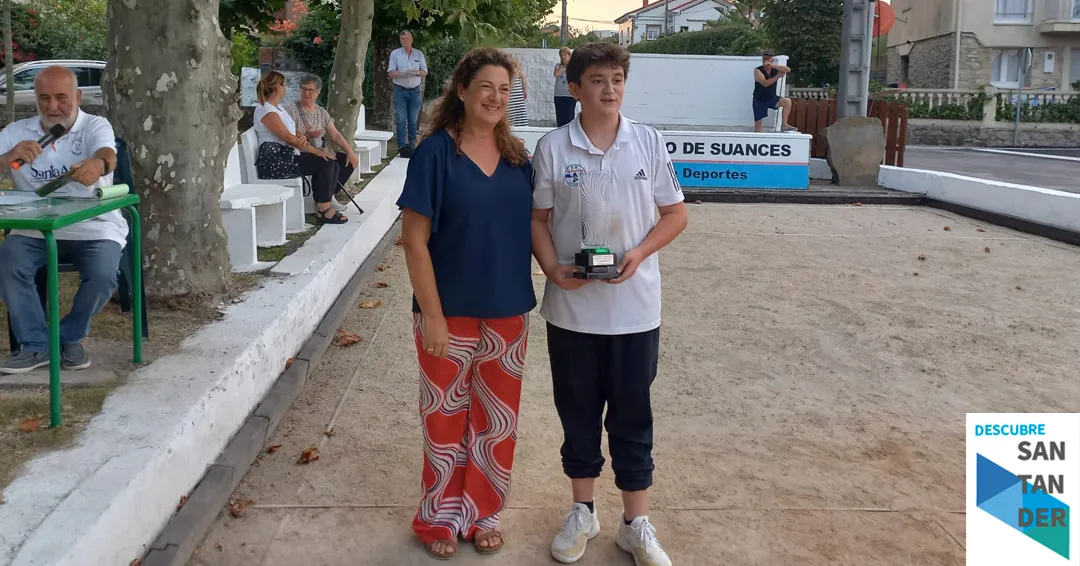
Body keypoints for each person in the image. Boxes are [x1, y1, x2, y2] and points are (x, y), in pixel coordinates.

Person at [531, 42, 687, 566]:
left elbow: (674, 215)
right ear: (575, 89)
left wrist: (639, 254)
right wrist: (553, 269)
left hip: (635, 311)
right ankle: (583, 511)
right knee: (577, 413)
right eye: (598, 80)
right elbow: (537, 221)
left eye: (617, 78)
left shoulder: (647, 143)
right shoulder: (553, 148)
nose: (610, 89)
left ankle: (635, 523)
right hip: (572, 310)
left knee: (632, 415)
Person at [396, 48, 536, 560]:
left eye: (505, 89)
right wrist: (431, 315)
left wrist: (566, 272)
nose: (496, 97)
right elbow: (414, 240)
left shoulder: (520, 158)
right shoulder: (436, 153)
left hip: (508, 312)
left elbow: (534, 230)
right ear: (461, 90)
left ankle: (483, 514)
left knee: (496, 423)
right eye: (486, 87)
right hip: (447, 313)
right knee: (444, 418)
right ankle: (437, 516)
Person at [0, 66, 125, 374]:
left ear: (78, 96)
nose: (52, 107)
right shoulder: (16, 132)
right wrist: (7, 158)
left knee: (103, 274)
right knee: (8, 262)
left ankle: (69, 338)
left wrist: (98, 164)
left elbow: (108, 154)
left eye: (61, 98)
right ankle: (35, 346)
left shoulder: (95, 125)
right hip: (34, 230)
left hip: (94, 227)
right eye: (44, 98)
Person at [252, 70, 347, 225]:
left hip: (287, 155)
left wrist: (301, 135)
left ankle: (323, 204)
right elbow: (288, 138)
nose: (286, 88)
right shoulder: (265, 109)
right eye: (284, 85)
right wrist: (317, 151)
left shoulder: (277, 108)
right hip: (276, 161)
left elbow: (291, 132)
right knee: (324, 162)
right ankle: (324, 211)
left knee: (332, 163)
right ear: (278, 87)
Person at [284, 74, 360, 213]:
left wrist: (350, 151)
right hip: (301, 152)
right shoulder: (290, 109)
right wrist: (308, 135)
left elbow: (335, 134)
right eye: (304, 89)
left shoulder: (321, 112)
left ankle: (329, 195)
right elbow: (288, 135)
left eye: (310, 90)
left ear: (318, 92)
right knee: (328, 162)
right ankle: (322, 203)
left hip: (320, 150)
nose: (306, 93)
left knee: (347, 161)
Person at [388, 30, 428, 158]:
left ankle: (412, 146)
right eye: (402, 39)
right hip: (400, 90)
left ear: (411, 39)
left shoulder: (419, 54)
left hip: (414, 91)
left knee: (412, 120)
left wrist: (415, 72)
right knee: (400, 120)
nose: (404, 41)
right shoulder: (395, 54)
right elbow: (391, 72)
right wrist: (404, 73)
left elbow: (424, 72)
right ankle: (401, 147)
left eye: (406, 39)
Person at [753, 50, 797, 133]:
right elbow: (765, 83)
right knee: (758, 125)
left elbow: (788, 70)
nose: (766, 60)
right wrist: (778, 76)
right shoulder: (757, 70)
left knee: (787, 101)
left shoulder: (774, 69)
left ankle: (784, 124)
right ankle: (759, 137)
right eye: (765, 58)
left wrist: (773, 66)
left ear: (772, 59)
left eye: (768, 58)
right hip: (759, 100)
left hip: (772, 98)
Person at [553, 47, 576, 127]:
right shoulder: (558, 66)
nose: (563, 57)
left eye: (565, 55)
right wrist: (565, 67)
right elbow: (556, 74)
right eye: (561, 55)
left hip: (569, 95)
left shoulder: (573, 67)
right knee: (560, 116)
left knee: (569, 116)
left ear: (569, 56)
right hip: (559, 94)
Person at [507, 63, 529, 128]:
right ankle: (522, 126)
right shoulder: (518, 70)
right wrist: (525, 91)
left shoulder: (505, 72)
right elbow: (524, 79)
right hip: (518, 95)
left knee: (511, 112)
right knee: (519, 111)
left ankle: (510, 126)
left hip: (511, 95)